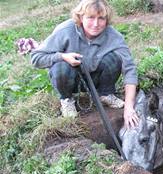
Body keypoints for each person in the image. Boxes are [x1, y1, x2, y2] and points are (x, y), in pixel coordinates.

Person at [31, 0, 139, 128]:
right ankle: (67, 99)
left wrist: (129, 107)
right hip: (71, 78)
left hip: (95, 77)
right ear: (81, 17)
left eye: (101, 18)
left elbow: (130, 69)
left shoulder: (114, 36)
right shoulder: (66, 30)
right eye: (90, 17)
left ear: (107, 19)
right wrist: (62, 56)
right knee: (61, 66)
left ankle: (104, 94)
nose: (96, 24)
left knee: (115, 59)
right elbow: (36, 58)